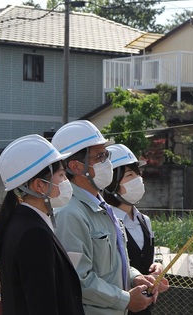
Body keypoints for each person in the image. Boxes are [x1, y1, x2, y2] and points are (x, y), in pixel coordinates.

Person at [50, 120, 157, 315]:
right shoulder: (69, 213)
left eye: (106, 155)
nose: (107, 162)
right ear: (75, 166)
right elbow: (79, 279)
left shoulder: (102, 207)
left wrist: (134, 277)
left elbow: (112, 265)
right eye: (100, 157)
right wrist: (125, 299)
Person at [0, 134, 84, 315]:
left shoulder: (20, 223)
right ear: (39, 186)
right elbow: (42, 305)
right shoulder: (34, 233)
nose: (66, 181)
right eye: (61, 175)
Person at [103, 144, 169, 315]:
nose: (138, 179)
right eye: (129, 175)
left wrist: (157, 267)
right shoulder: (106, 222)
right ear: (112, 184)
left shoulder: (144, 220)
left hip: (146, 307)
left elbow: (148, 257)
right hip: (119, 308)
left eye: (138, 174)